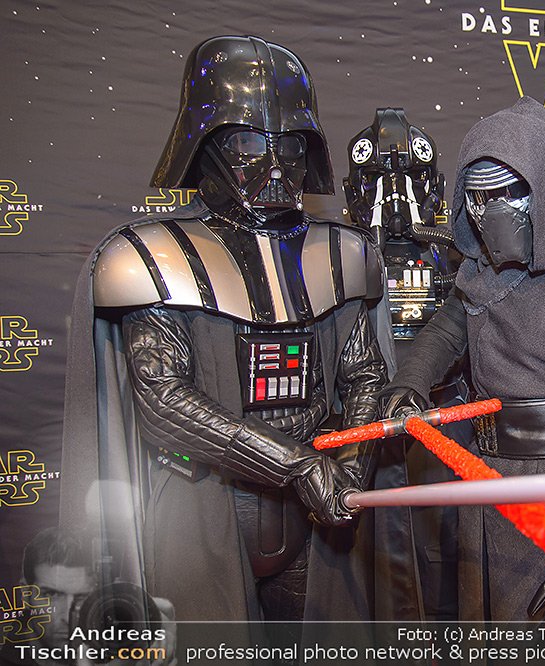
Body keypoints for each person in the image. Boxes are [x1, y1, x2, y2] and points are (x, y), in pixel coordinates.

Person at [59, 36, 421, 643]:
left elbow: (363, 374)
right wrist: (297, 465)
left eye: (290, 146)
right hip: (202, 509)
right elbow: (163, 402)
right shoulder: (152, 258)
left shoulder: (343, 253)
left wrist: (352, 467)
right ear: (204, 146)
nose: (275, 166)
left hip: (315, 520)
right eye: (249, 145)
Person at [379, 96, 545, 661]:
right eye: (476, 199)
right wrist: (409, 385)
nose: (488, 213)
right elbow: (445, 332)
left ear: (543, 191)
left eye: (504, 195)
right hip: (492, 483)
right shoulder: (479, 270)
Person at [344, 108, 470, 621]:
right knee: (376, 550)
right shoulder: (340, 260)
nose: (394, 196)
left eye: (410, 180)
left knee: (447, 547)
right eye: (377, 181)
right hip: (367, 418)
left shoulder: (454, 258)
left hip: (441, 416)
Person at [0, 527, 175, 666]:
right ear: (25, 594)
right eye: (51, 595)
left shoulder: (120, 648)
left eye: (84, 597)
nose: (67, 617)